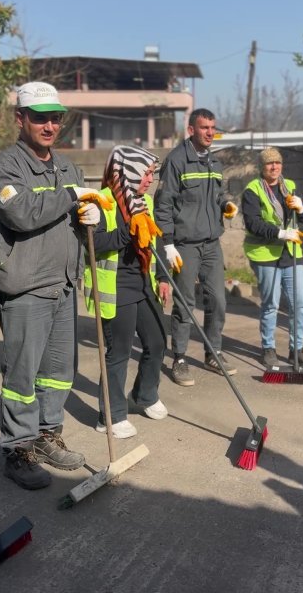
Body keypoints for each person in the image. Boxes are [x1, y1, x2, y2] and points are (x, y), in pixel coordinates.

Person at [0, 81, 101, 490]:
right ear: (21, 119)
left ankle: (48, 435)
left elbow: (76, 209)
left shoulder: (67, 165)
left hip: (63, 282)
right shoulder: (4, 167)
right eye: (40, 117)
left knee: (57, 373)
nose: (50, 125)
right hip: (25, 285)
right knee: (22, 374)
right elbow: (22, 214)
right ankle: (18, 449)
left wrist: (92, 215)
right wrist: (72, 195)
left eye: (56, 117)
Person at [83, 145, 169, 437]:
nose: (149, 180)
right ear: (128, 172)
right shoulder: (100, 201)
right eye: (145, 174)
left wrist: (163, 278)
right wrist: (128, 230)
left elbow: (152, 244)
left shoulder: (144, 202)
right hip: (116, 285)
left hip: (144, 282)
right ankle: (110, 415)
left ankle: (145, 395)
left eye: (151, 174)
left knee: (157, 342)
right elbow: (93, 246)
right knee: (118, 352)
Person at [154, 108, 238, 386]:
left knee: (218, 300)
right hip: (185, 244)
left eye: (213, 127)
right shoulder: (177, 161)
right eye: (204, 128)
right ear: (191, 130)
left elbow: (219, 193)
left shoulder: (214, 162)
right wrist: (167, 244)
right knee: (185, 304)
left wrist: (226, 204)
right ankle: (178, 358)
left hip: (212, 243)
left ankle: (213, 352)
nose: (210, 133)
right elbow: (163, 205)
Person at [242, 147, 303, 366]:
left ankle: (297, 348)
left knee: (300, 301)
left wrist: (301, 209)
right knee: (271, 302)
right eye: (269, 164)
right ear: (262, 168)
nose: (274, 167)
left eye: (277, 163)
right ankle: (268, 348)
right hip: (265, 253)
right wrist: (280, 233)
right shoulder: (252, 190)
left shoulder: (289, 186)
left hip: (291, 252)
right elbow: (253, 223)